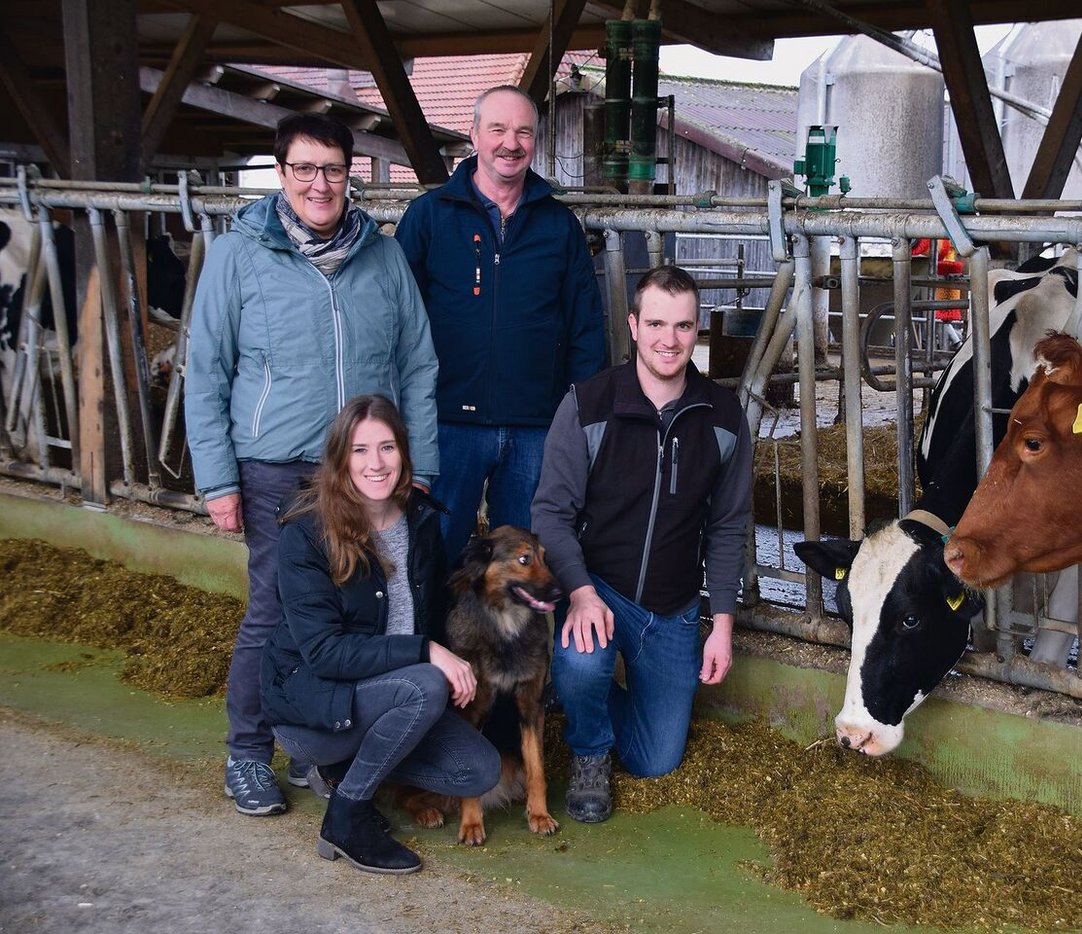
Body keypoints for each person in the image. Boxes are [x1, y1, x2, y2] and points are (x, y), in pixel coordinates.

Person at [185, 113, 439, 817]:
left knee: (354, 612)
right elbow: (205, 368)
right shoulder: (239, 255)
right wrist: (216, 479)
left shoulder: (381, 256)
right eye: (305, 169)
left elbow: (417, 362)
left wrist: (420, 463)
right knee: (272, 611)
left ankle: (315, 746)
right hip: (275, 464)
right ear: (281, 174)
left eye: (332, 169)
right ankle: (246, 752)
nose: (320, 183)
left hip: (365, 469)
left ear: (349, 174)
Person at [531, 265, 753, 824]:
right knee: (584, 663)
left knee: (656, 760)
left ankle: (572, 694)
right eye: (655, 323)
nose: (668, 340)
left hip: (673, 610)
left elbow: (729, 526)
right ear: (633, 325)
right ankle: (588, 751)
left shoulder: (723, 418)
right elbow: (551, 514)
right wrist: (579, 592)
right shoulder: (587, 404)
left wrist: (720, 622)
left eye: (682, 326)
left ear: (697, 328)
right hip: (599, 590)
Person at [261, 395, 499, 875]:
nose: (376, 463)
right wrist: (429, 653)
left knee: (478, 769)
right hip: (315, 710)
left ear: (404, 454)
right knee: (427, 681)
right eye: (360, 450)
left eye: (387, 448)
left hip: (393, 696)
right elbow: (325, 653)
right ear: (339, 459)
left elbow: (429, 615)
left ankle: (353, 771)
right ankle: (345, 815)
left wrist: (453, 658)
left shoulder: (422, 519)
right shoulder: (307, 530)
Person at [396, 85, 605, 565]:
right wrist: (404, 412)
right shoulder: (428, 217)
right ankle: (427, 642)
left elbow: (585, 328)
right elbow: (397, 321)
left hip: (536, 426)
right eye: (498, 129)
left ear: (535, 140)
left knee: (522, 563)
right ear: (474, 135)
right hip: (445, 424)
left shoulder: (559, 225)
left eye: (523, 131)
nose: (510, 143)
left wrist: (574, 421)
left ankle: (511, 644)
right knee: (433, 551)